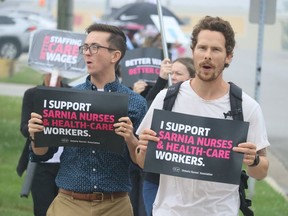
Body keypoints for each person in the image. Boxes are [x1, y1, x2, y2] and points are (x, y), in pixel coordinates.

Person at [135, 16, 270, 216]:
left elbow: (261, 172)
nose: (207, 55)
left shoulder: (246, 107)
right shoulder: (167, 99)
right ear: (193, 52)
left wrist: (254, 161)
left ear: (228, 56)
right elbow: (142, 161)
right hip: (168, 211)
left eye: (216, 50)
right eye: (202, 48)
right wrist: (144, 148)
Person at [28, 23, 147, 216]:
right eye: (85, 47)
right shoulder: (66, 97)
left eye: (94, 47)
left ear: (115, 56)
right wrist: (37, 137)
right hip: (69, 202)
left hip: (115, 205)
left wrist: (130, 139)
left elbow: (141, 162)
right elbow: (43, 154)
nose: (87, 53)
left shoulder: (135, 103)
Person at [142, 57, 195, 216]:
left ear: (192, 77)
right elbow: (148, 109)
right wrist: (161, 79)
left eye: (178, 73)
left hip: (185, 182)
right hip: (155, 180)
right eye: (171, 73)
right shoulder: (164, 97)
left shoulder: (199, 104)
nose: (174, 77)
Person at [17, 73, 69, 216]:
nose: (53, 74)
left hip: (67, 163)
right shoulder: (33, 94)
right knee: (43, 209)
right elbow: (23, 128)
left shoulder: (73, 93)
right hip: (41, 164)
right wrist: (35, 129)